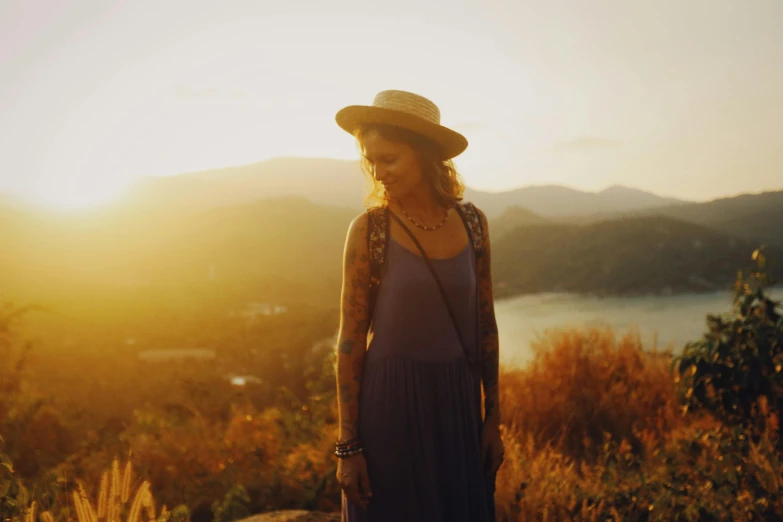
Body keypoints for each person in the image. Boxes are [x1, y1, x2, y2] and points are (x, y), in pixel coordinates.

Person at [333, 90, 504, 521]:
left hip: (458, 408)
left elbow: (486, 324)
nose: (378, 172)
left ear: (426, 156)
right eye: (371, 160)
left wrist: (492, 419)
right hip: (390, 408)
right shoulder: (369, 231)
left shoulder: (473, 224)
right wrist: (348, 447)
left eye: (389, 159)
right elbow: (350, 341)